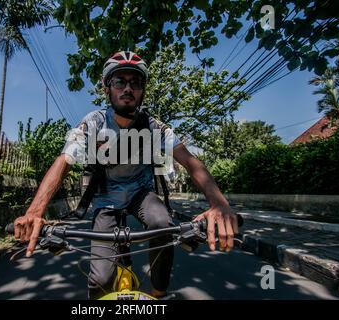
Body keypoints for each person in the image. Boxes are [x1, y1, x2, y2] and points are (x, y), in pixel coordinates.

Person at [13, 51, 239, 299]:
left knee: (162, 223)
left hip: (140, 194)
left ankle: (159, 293)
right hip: (105, 198)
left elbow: (190, 161)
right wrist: (35, 212)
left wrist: (219, 204)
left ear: (142, 91)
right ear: (107, 88)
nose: (128, 88)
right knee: (100, 280)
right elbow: (63, 161)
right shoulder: (93, 122)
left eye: (136, 82)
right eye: (119, 81)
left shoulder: (155, 126)